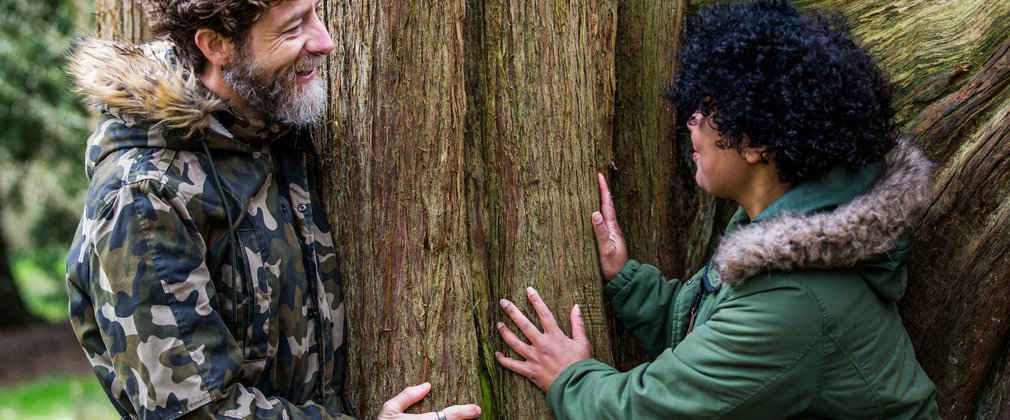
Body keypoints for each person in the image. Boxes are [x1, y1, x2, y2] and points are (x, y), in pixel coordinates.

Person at [493, 0, 940, 418]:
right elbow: (711, 327)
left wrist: (569, 378)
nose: (691, 122)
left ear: (756, 142)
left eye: (706, 110)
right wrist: (628, 281)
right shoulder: (793, 228)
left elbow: (648, 408)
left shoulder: (794, 298)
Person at [64, 0, 480, 418]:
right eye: (294, 27)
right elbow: (195, 411)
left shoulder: (269, 123)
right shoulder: (143, 197)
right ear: (216, 45)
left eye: (316, 13)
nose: (327, 41)